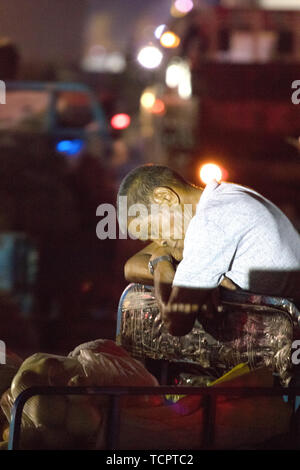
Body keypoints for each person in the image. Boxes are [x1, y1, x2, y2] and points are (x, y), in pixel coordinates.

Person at [117, 164, 300, 337]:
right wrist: (200, 281)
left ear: (165, 197)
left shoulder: (212, 221)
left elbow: (176, 322)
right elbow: (130, 266)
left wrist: (161, 265)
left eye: (153, 230)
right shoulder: (224, 195)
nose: (160, 241)